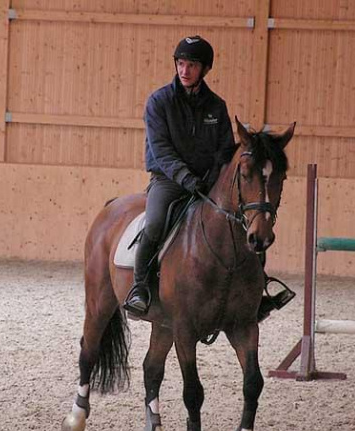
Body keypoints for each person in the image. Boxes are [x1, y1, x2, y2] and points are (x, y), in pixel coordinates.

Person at [123, 35, 294, 321]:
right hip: (168, 180)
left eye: (191, 65)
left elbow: (225, 149)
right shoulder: (159, 102)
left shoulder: (216, 106)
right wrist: (186, 178)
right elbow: (161, 150)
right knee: (154, 223)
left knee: (245, 224)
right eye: (180, 64)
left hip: (207, 181)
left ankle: (259, 289)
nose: (184, 70)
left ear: (204, 69)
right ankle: (140, 288)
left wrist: (214, 179)